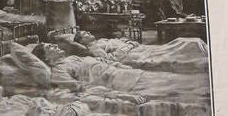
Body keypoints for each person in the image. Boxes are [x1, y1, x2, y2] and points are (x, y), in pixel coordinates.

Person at [31, 41, 210, 102]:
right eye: (50, 47)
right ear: (46, 59)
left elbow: (105, 61)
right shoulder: (59, 71)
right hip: (123, 84)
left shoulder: (71, 59)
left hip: (128, 74)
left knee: (177, 80)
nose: (55, 46)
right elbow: (83, 89)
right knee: (183, 88)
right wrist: (120, 96)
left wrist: (125, 67)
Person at [73, 30, 208, 74]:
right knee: (175, 49)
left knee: (182, 43)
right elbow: (112, 58)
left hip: (136, 48)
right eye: (85, 34)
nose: (89, 33)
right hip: (134, 54)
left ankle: (200, 50)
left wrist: (126, 41)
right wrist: (129, 45)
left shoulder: (100, 40)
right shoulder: (94, 49)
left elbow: (117, 41)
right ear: (82, 41)